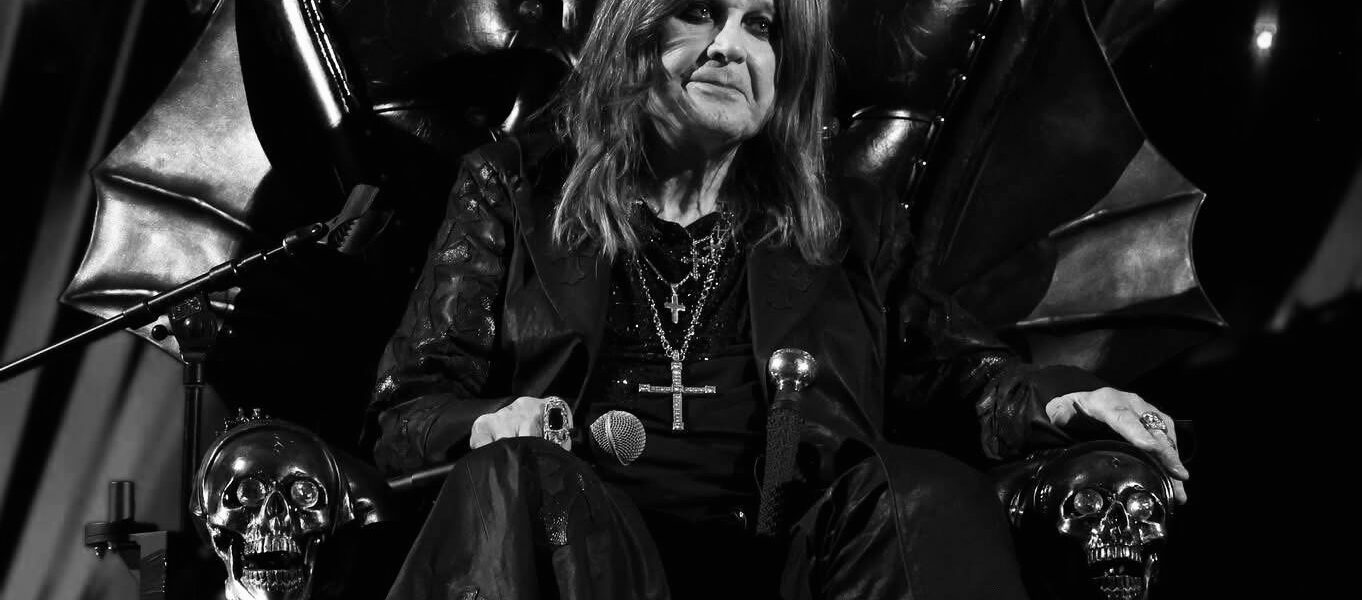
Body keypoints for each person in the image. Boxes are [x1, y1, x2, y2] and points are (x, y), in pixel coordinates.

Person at [365, 0, 1190, 598]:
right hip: (582, 551)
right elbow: (406, 411)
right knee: (513, 471)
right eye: (698, 13)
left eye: (762, 25)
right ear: (633, 30)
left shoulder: (846, 223)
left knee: (923, 487)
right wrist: (489, 422)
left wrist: (1069, 400)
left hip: (792, 566)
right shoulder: (515, 189)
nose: (730, 46)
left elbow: (958, 372)